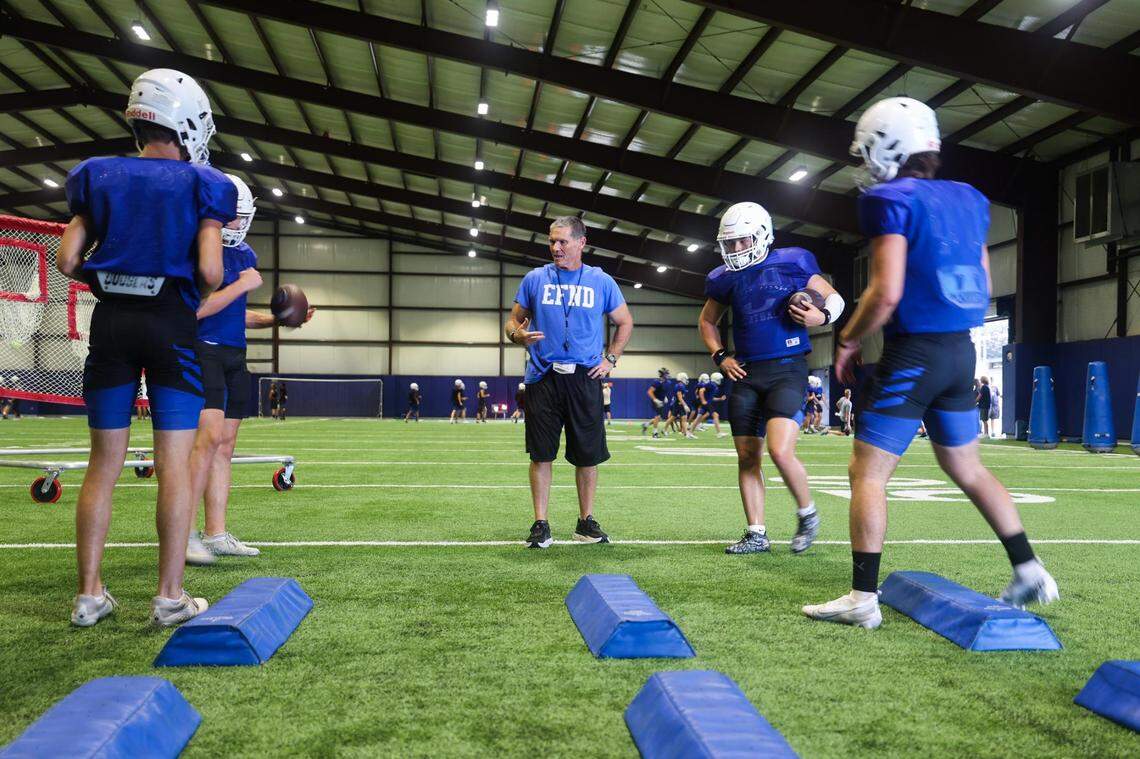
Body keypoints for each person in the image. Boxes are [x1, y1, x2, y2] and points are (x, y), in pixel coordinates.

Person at [803, 97, 1058, 629]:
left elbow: (887, 290)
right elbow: (983, 283)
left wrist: (848, 337)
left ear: (885, 147)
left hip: (914, 351)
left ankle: (862, 598)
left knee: (867, 472)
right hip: (960, 350)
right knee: (966, 466)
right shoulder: (969, 197)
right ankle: (1029, 568)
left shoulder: (888, 199)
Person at [56, 68, 234, 627]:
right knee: (173, 466)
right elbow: (209, 268)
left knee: (102, 465)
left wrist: (115, 276)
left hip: (110, 324)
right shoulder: (203, 182)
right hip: (169, 326)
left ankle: (89, 596)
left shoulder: (98, 175)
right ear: (187, 123)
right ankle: (169, 598)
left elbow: (65, 261)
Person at [698, 201, 845, 556]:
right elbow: (707, 322)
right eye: (729, 243)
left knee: (780, 449)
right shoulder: (723, 277)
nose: (735, 249)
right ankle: (756, 532)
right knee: (748, 457)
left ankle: (807, 513)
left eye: (742, 241)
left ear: (762, 235)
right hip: (747, 372)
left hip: (787, 368)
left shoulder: (793, 262)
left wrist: (821, 316)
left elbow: (835, 298)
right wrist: (720, 356)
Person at [186, 173, 314, 566]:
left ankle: (216, 533)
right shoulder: (195, 250)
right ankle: (185, 535)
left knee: (225, 447)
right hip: (201, 352)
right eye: (231, 217)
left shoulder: (244, 256)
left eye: (242, 217)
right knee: (203, 447)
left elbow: (237, 315)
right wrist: (241, 286)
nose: (238, 225)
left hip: (233, 355)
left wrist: (282, 321)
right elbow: (194, 311)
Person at [505, 215, 633, 549]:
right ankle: (540, 523)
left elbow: (624, 323)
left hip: (585, 376)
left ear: (581, 242)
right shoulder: (535, 279)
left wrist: (611, 359)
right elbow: (512, 322)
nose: (556, 248)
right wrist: (517, 336)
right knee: (541, 454)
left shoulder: (600, 281)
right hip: (542, 377)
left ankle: (585, 523)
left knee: (587, 456)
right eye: (552, 241)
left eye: (562, 241)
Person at [641, 368, 672, 437]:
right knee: (657, 416)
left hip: (662, 400)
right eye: (666, 373)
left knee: (659, 418)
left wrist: (665, 397)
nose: (667, 375)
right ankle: (655, 433)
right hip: (656, 400)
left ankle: (646, 424)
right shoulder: (657, 382)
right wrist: (655, 400)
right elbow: (649, 392)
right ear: (662, 374)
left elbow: (663, 391)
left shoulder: (668, 382)